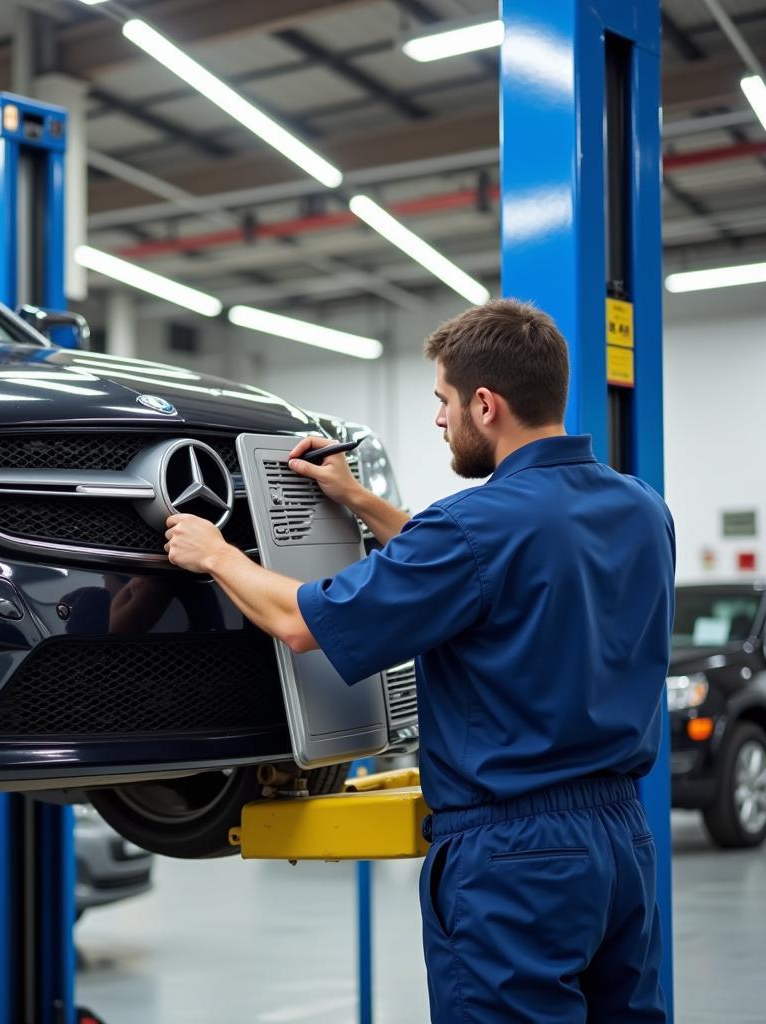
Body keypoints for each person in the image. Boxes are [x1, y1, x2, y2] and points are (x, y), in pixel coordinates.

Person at [165, 298, 674, 1023]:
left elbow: (301, 621)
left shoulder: (472, 526)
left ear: (486, 405)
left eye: (443, 401)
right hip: (622, 842)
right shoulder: (640, 508)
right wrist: (359, 500)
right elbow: (487, 571)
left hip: (513, 858)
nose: (439, 418)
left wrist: (212, 554)